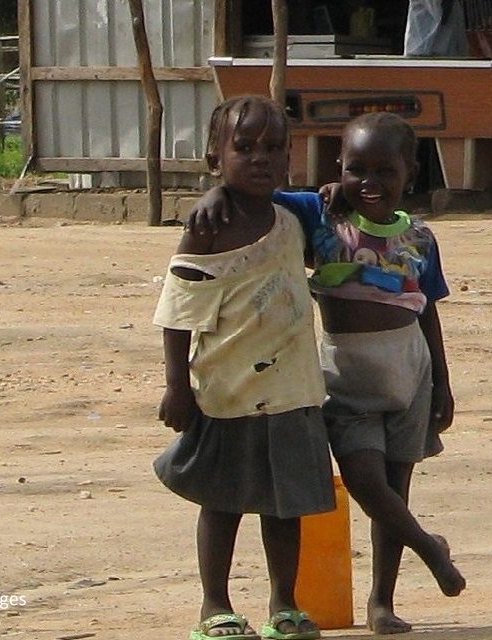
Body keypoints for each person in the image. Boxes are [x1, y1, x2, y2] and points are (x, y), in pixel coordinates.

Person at [188, 112, 467, 636]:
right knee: (364, 480)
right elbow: (258, 192)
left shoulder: (421, 238)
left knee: (396, 485)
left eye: (385, 171)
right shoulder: (322, 218)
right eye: (356, 168)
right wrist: (213, 196)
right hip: (346, 375)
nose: (370, 183)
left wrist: (444, 383)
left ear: (411, 171)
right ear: (337, 166)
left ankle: (382, 602)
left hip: (411, 372)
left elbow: (427, 308)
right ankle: (430, 546)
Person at [153, 95, 335, 640]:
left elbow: (348, 203)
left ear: (289, 158)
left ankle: (285, 603)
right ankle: (215, 605)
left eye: (274, 148)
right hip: (227, 392)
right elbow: (177, 312)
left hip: (294, 390)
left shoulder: (294, 216)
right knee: (223, 502)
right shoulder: (208, 226)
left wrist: (334, 193)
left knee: (286, 507)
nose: (261, 158)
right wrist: (175, 386)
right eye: (244, 147)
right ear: (215, 157)